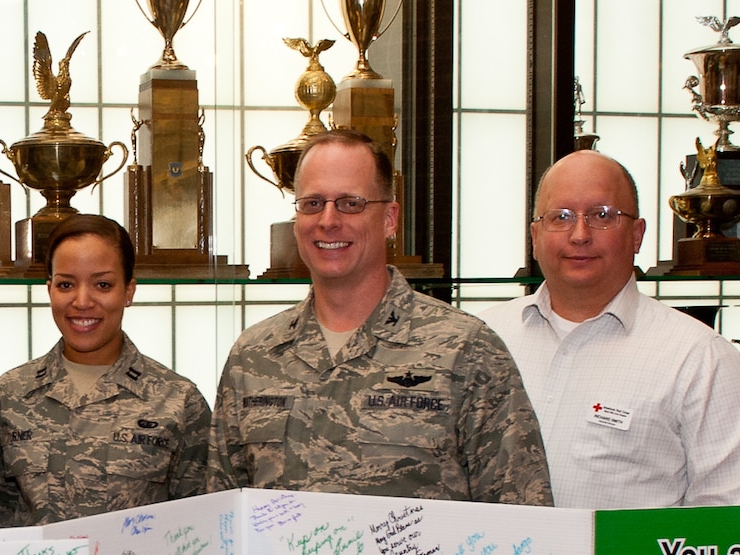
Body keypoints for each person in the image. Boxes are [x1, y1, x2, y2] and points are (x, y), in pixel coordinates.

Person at [208, 127, 551, 504]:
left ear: (390, 219)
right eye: (312, 203)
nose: (328, 221)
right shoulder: (254, 355)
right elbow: (223, 517)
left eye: (350, 203)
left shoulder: (466, 350)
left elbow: (522, 517)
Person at [482, 150, 740, 508]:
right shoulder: (484, 338)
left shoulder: (701, 358)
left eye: (602, 216)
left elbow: (723, 520)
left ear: (636, 234)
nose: (580, 234)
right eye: (561, 217)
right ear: (536, 236)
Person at [0, 215, 210, 524]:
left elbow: (200, 526)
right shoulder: (11, 395)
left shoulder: (178, 401)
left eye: (102, 284)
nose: (82, 301)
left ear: (128, 291)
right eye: (66, 284)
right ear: (49, 290)